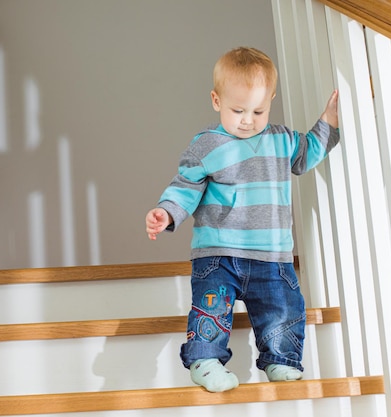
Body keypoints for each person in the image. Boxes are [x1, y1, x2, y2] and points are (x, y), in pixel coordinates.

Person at [145, 47, 339, 392]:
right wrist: (167, 212)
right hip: (218, 253)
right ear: (216, 100)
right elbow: (186, 187)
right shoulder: (207, 145)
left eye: (258, 110)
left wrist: (330, 119)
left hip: (272, 255)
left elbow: (309, 152)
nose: (248, 119)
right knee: (212, 307)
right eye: (238, 110)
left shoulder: (282, 140)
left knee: (282, 307)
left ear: (271, 101)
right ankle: (205, 359)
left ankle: (281, 360)